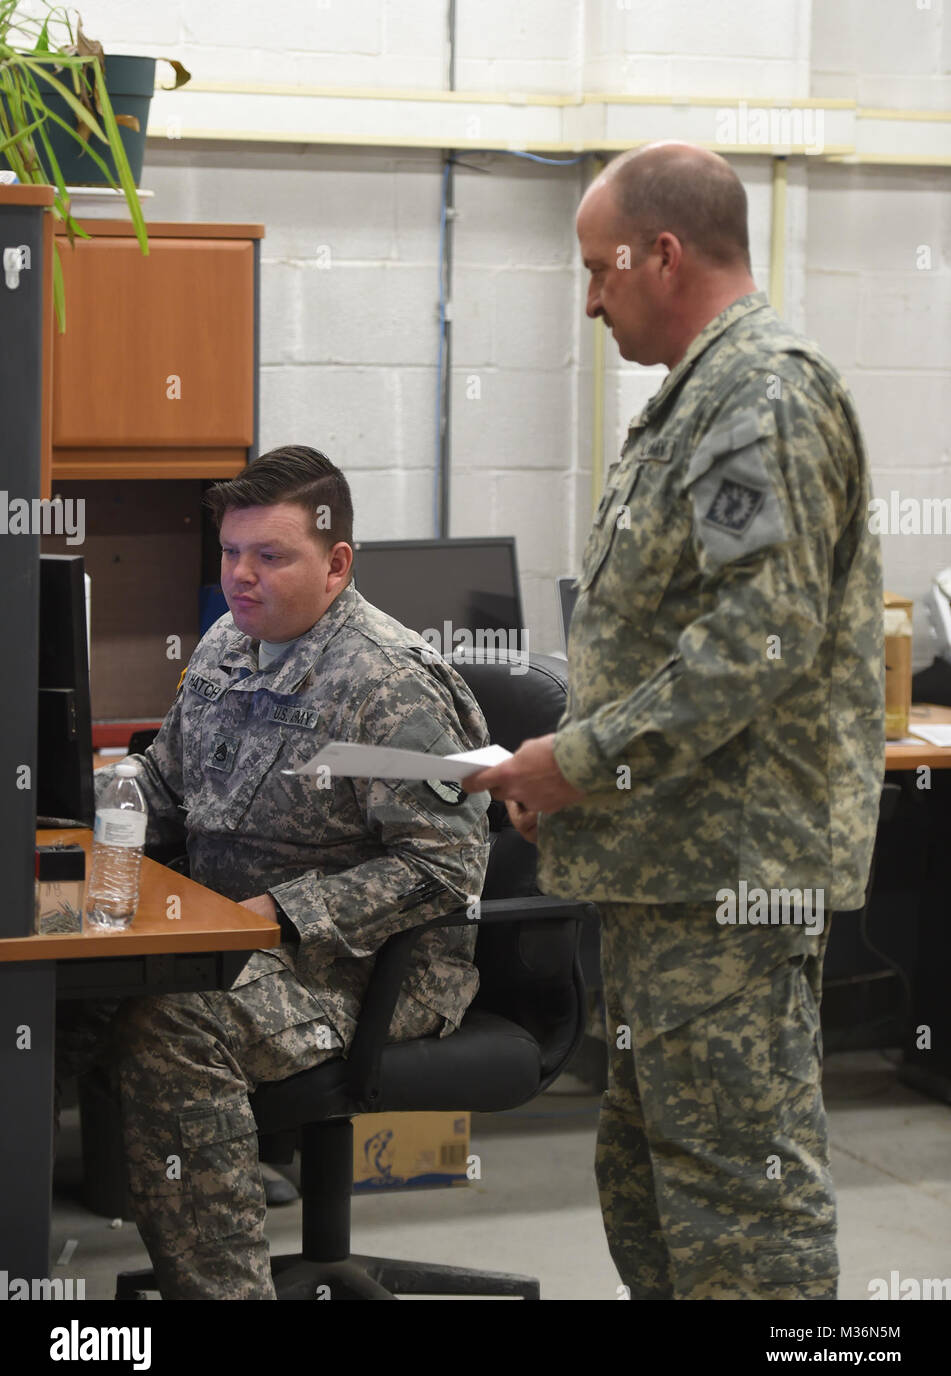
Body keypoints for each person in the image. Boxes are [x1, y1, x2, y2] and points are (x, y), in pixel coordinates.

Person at [463, 142, 884, 1300]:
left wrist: (579, 761)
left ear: (663, 252)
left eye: (599, 270)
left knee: (741, 1201)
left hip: (730, 880)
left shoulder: (763, 394)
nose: (590, 298)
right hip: (669, 875)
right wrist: (577, 781)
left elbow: (759, 640)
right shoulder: (698, 397)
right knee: (653, 1186)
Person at [69, 445, 490, 1299]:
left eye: (270, 556)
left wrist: (283, 911)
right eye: (231, 553)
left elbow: (445, 867)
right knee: (55, 999)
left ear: (336, 563)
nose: (241, 576)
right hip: (232, 936)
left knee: (170, 1022)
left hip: (367, 967)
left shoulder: (385, 682)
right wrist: (83, 808)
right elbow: (165, 781)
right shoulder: (230, 643)